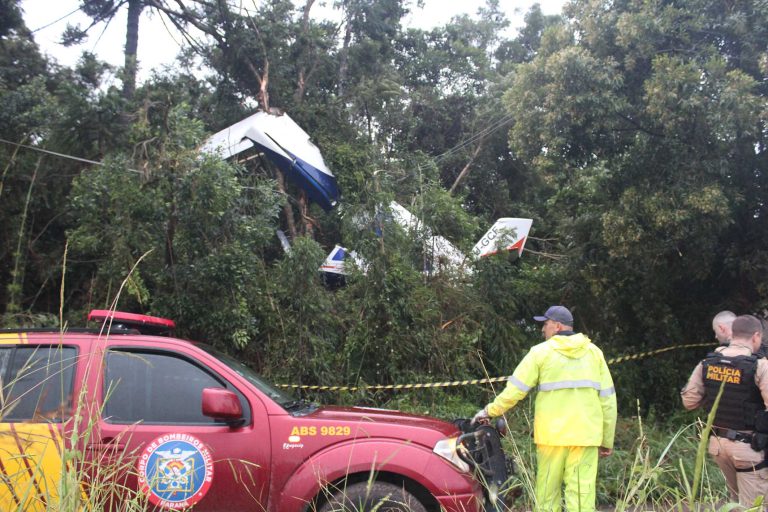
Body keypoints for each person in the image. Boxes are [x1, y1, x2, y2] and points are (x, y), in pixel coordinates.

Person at [472, 305, 617, 512]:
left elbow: (515, 391)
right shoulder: (595, 354)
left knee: (548, 495)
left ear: (557, 326)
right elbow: (608, 400)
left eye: (545, 324)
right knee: (581, 496)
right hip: (586, 437)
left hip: (551, 437)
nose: (542, 329)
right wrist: (606, 439)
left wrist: (489, 411)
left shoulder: (540, 353)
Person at [681, 315, 768, 508]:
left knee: (735, 503)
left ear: (733, 334)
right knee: (755, 507)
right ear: (756, 336)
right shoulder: (759, 366)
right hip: (749, 448)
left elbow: (689, 401)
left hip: (718, 446)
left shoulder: (707, 362)